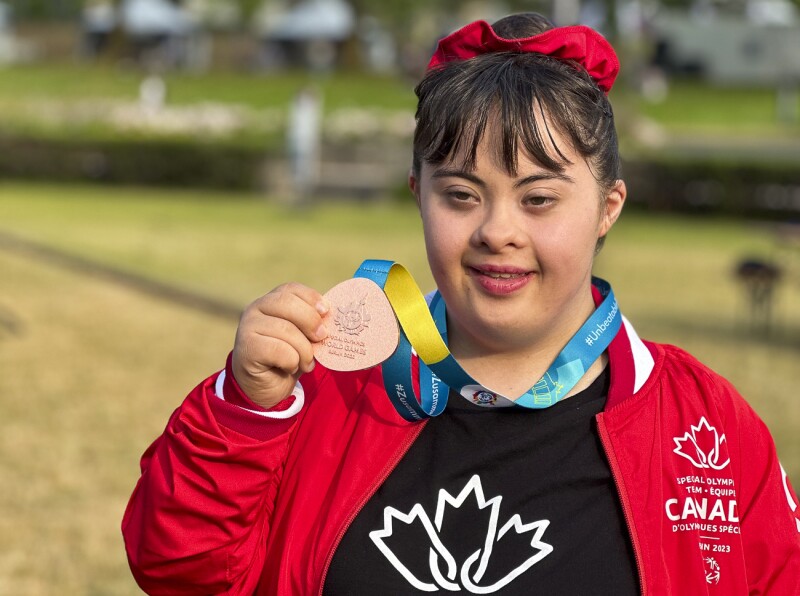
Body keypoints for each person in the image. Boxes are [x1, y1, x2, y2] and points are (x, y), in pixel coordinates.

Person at [122, 13, 800, 595]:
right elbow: (180, 571)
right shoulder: (326, 388)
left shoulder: (705, 427)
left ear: (607, 208)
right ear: (418, 193)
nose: (497, 231)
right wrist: (244, 409)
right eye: (460, 195)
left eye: (539, 198)